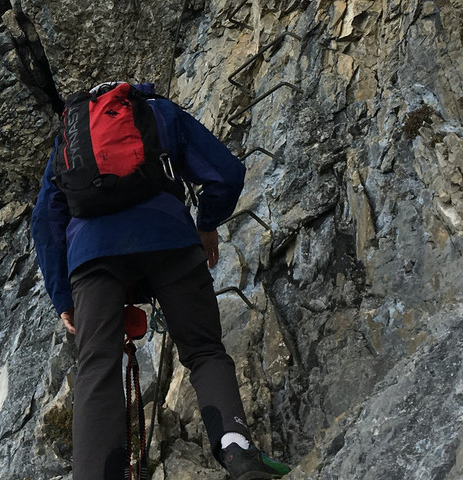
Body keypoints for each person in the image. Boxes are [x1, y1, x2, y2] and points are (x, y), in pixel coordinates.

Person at [31, 81, 290, 480]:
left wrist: (63, 297)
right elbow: (225, 171)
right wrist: (206, 224)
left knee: (96, 366)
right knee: (203, 349)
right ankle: (237, 452)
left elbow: (46, 221)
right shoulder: (158, 111)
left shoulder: (70, 138)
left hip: (93, 257)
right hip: (169, 239)